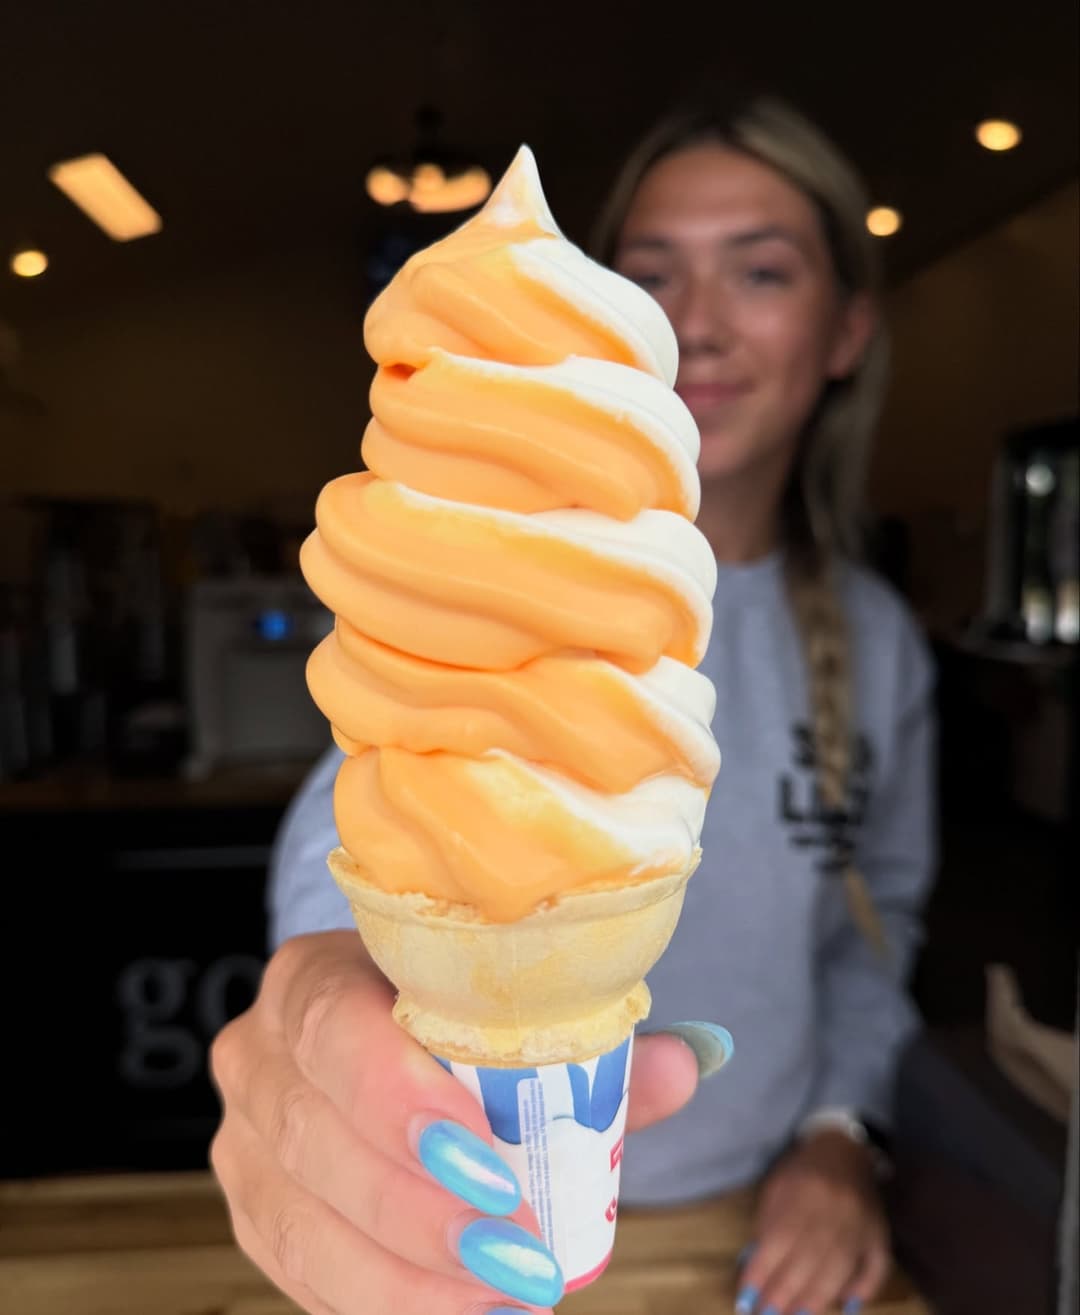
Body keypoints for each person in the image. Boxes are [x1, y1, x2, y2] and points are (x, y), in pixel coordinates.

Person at [210, 92, 936, 1315]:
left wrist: (838, 1135)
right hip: (456, 1236)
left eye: (759, 272)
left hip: (747, 1236)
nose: (698, 325)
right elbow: (344, 856)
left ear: (846, 329)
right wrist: (317, 1046)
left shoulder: (878, 644)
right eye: (651, 274)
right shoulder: (469, 587)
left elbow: (873, 932)